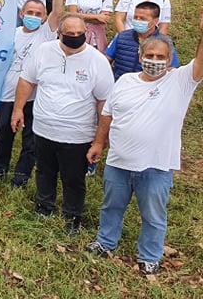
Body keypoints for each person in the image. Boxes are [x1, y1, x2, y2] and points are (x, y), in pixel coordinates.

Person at [84, 14, 203, 276]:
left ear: (170, 60)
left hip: (155, 166)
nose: (154, 60)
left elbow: (199, 64)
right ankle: (105, 242)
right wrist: (98, 143)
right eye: (150, 55)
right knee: (111, 207)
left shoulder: (179, 82)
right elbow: (108, 115)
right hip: (118, 161)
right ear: (140, 57)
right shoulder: (125, 81)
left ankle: (149, 256)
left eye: (161, 57)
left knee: (153, 214)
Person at [12, 13, 115, 235]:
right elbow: (27, 80)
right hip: (43, 129)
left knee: (73, 178)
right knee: (44, 171)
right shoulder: (43, 51)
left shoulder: (97, 61)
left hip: (77, 135)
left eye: (80, 33)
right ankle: (44, 206)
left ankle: (72, 216)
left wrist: (100, 138)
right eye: (70, 34)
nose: (75, 37)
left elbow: (104, 102)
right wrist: (18, 109)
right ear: (59, 34)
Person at [0, 0, 66, 186]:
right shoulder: (11, 34)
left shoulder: (46, 33)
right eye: (30, 12)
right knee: (4, 134)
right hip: (8, 93)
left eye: (38, 14)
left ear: (43, 18)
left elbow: (58, 13)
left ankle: (22, 175)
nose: (33, 16)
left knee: (30, 140)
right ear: (22, 14)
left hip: (35, 96)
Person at [105, 1, 178, 80]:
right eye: (135, 17)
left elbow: (171, 70)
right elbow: (106, 60)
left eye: (142, 18)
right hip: (119, 84)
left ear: (156, 21)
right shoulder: (122, 37)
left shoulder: (165, 43)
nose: (138, 20)